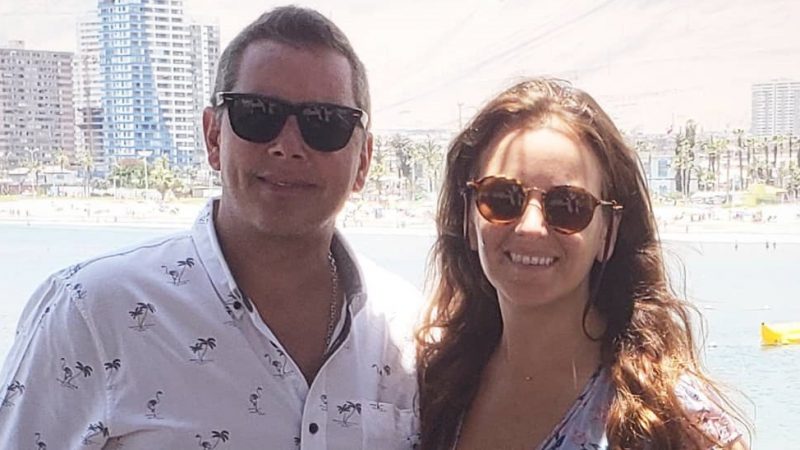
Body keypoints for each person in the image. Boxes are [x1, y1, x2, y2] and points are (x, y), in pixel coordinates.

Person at [0, 6, 420, 449]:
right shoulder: (90, 312)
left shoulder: (408, 331)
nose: (288, 146)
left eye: (325, 122)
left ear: (364, 159)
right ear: (214, 137)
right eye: (258, 114)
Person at [416, 78, 749, 449]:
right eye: (502, 197)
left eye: (568, 206)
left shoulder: (669, 419)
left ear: (608, 232)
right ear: (468, 216)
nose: (530, 227)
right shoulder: (433, 387)